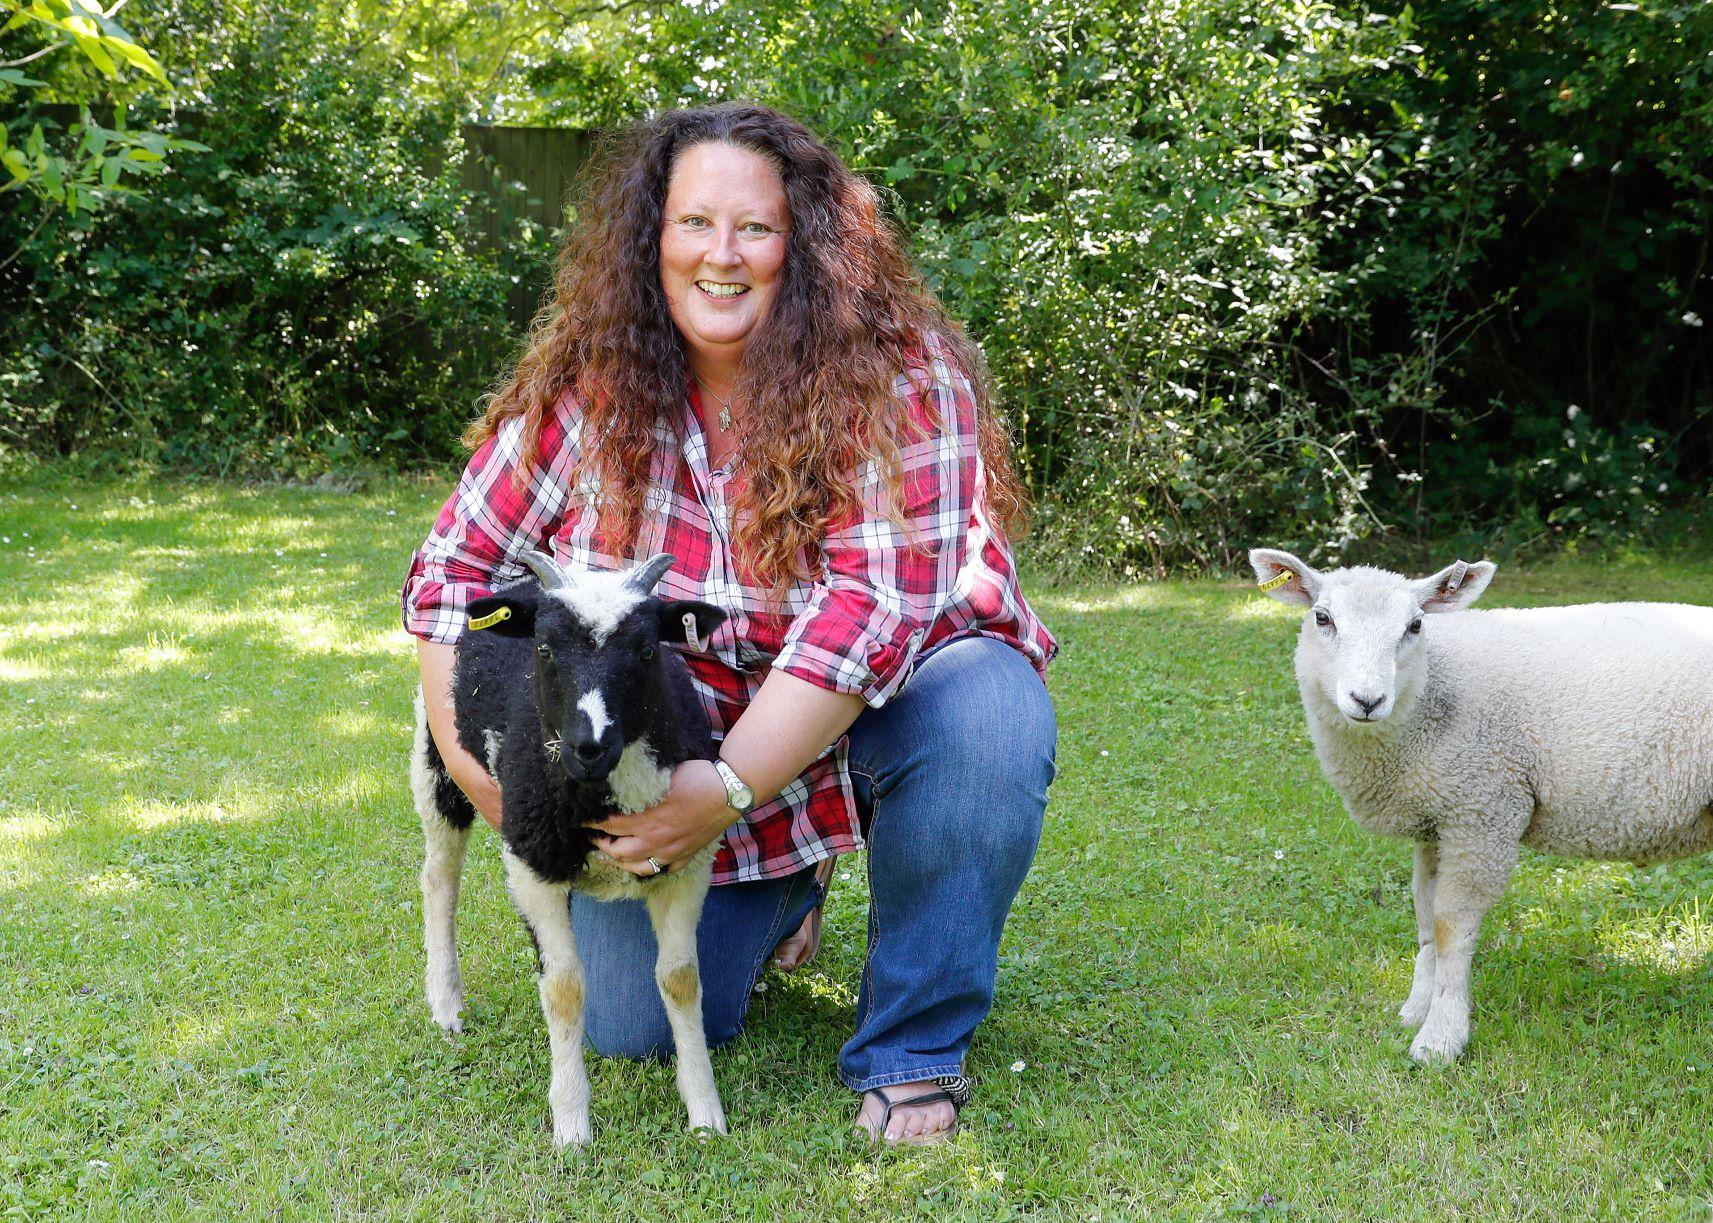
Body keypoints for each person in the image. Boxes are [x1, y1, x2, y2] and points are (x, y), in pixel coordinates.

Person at [402, 102, 1057, 1145]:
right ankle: (789, 882)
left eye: (754, 227)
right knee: (626, 1023)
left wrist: (732, 788)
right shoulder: (592, 381)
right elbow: (450, 571)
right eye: (692, 223)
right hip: (688, 737)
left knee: (989, 720)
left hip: (888, 704)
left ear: (806, 244)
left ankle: (912, 1046)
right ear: (648, 237)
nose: (722, 254)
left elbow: (867, 615)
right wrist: (473, 765)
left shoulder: (903, 377)